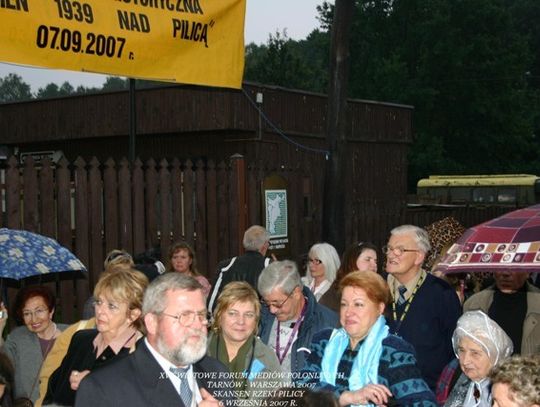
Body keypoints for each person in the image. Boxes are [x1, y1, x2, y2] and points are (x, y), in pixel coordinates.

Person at [75, 273, 233, 407]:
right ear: (152, 323)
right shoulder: (103, 389)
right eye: (185, 316)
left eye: (201, 315)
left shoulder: (216, 372)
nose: (198, 325)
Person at [298, 271, 437, 406]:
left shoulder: (392, 351)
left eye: (358, 304)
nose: (348, 312)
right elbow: (301, 385)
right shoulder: (325, 341)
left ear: (379, 308)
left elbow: (424, 403)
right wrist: (347, 397)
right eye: (344, 304)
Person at [44, 268, 148, 406]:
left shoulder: (144, 355)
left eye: (111, 306)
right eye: (99, 302)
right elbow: (53, 390)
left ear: (133, 315)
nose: (100, 311)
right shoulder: (81, 340)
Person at [384, 224, 462, 390]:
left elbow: (454, 348)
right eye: (389, 248)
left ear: (419, 256)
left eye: (399, 250)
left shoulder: (442, 293)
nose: (391, 255)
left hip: (425, 393)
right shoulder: (375, 288)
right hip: (379, 392)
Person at [258, 260, 338, 375]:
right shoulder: (260, 317)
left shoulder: (328, 324)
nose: (272, 310)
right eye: (267, 303)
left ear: (296, 293)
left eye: (277, 303)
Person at [207, 281, 283, 399]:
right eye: (233, 313)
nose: (241, 322)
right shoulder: (198, 352)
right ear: (219, 315)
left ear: (256, 320)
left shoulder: (267, 359)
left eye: (248, 315)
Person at [0, 286, 68, 403]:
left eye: (39, 311)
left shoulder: (71, 335)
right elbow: (3, 369)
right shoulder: (18, 338)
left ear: (51, 311)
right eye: (27, 313)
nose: (34, 319)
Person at [436, 310, 513, 406]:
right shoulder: (452, 373)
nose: (465, 361)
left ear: (494, 356)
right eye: (462, 350)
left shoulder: (507, 393)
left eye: (475, 353)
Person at [464, 270, 540, 355]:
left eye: (513, 267)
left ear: (528, 272)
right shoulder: (473, 305)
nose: (505, 273)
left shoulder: (537, 303)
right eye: (500, 266)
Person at [82, 249, 165, 318]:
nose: (122, 278)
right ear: (108, 274)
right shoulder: (93, 304)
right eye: (117, 273)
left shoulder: (141, 301)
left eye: (126, 273)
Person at [208, 225, 272, 311]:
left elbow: (212, 304)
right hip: (259, 321)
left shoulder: (225, 266)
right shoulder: (270, 266)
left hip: (229, 318)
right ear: (265, 245)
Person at [320, 242, 379, 312]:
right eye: (367, 260)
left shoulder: (378, 291)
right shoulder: (335, 294)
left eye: (375, 261)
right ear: (352, 261)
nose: (374, 265)